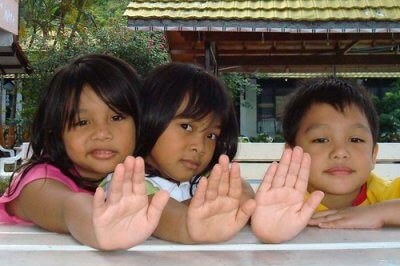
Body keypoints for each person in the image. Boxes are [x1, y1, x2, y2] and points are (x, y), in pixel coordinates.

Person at [0, 54, 169, 250]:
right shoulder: (39, 181)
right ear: (56, 130)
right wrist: (98, 226)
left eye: (116, 117)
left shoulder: (138, 177)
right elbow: (69, 208)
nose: (102, 133)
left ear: (140, 122)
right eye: (82, 122)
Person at [102, 62, 257, 243]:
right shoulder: (126, 183)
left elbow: (243, 195)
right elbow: (161, 215)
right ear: (150, 117)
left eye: (212, 135)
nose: (199, 147)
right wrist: (207, 214)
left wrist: (242, 196)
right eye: (186, 126)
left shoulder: (202, 180)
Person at [281, 77, 400, 230]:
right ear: (291, 155)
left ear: (373, 155)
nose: (340, 152)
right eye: (321, 140)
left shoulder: (388, 193)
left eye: (355, 139)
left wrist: (382, 212)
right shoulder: (283, 201)